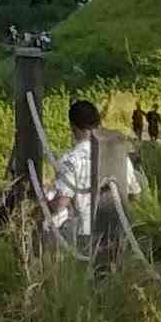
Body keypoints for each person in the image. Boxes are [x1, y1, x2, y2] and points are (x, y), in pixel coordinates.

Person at [37, 96, 114, 252]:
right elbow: (135, 194)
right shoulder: (116, 153)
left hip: (87, 235)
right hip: (117, 232)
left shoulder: (71, 160)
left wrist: (39, 207)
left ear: (73, 127)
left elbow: (61, 203)